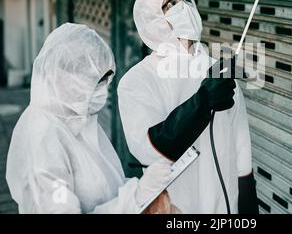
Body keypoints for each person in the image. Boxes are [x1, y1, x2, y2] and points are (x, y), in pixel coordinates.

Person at [118, 0, 258, 214]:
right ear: (152, 22)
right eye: (170, 5)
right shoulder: (138, 81)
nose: (182, 7)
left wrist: (248, 205)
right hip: (176, 208)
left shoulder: (218, 72)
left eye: (184, 0)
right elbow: (149, 149)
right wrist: (203, 102)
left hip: (225, 207)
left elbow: (241, 144)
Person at [6, 23, 174, 214]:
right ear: (64, 76)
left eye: (106, 81)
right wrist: (135, 197)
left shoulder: (76, 117)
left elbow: (104, 185)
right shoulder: (41, 138)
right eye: (97, 82)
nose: (104, 91)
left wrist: (140, 190)